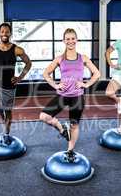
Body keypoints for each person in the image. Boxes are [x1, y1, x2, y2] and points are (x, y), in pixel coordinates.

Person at [39, 28, 100, 161]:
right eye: (68, 39)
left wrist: (86, 84)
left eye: (73, 38)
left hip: (77, 97)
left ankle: (70, 150)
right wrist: (56, 85)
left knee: (74, 125)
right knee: (44, 116)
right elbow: (45, 73)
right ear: (64, 41)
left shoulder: (83, 58)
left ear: (76, 40)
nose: (70, 41)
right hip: (62, 95)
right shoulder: (60, 59)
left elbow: (97, 73)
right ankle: (62, 130)